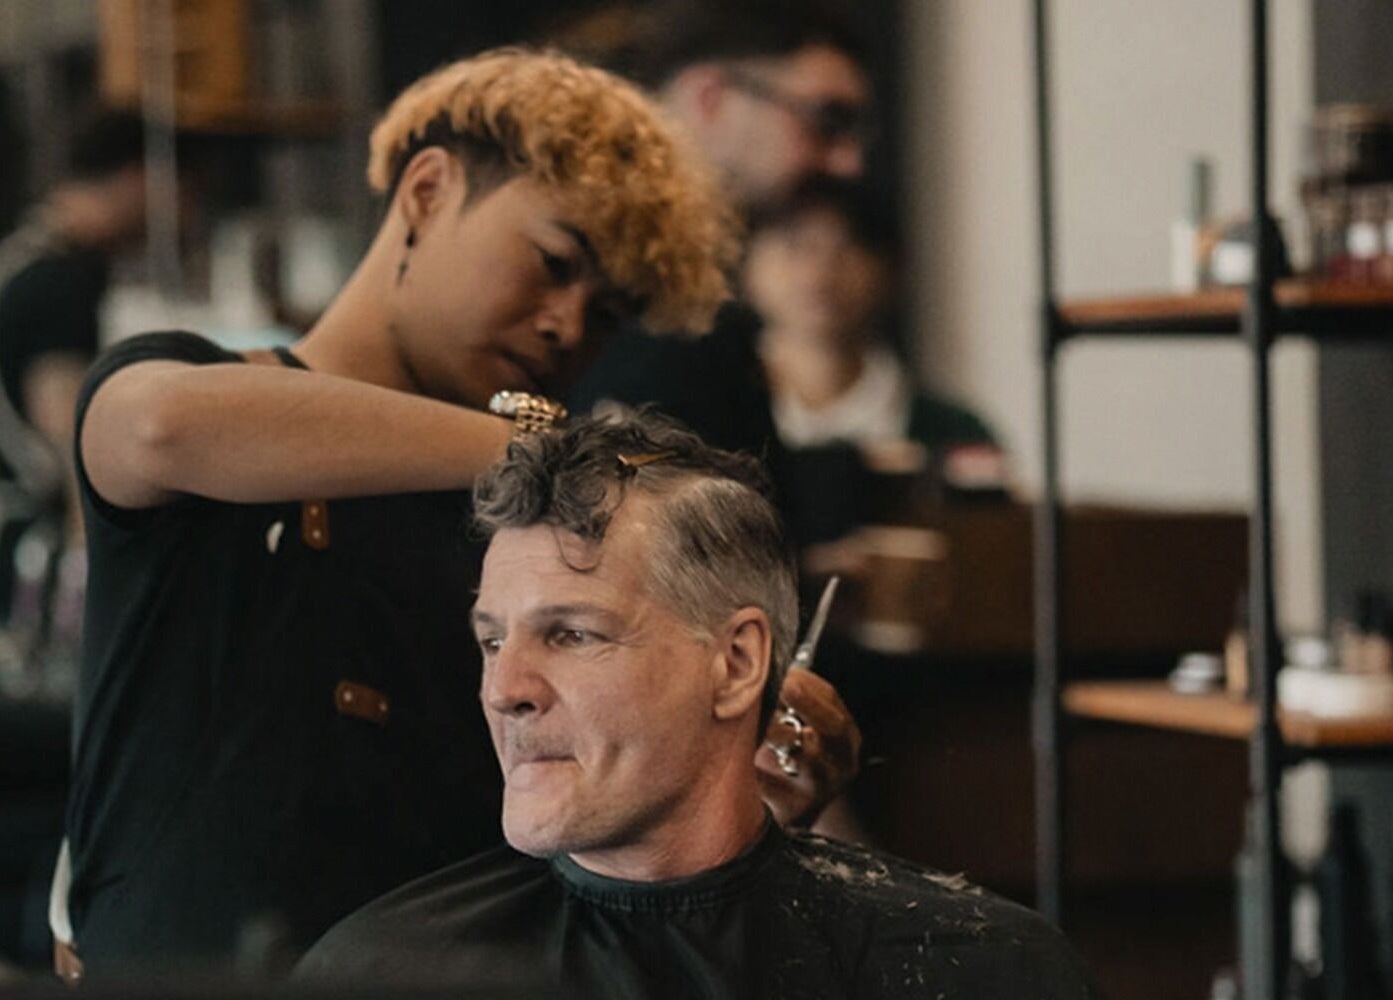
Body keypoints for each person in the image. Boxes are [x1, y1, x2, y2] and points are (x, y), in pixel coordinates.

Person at [57, 48, 756, 979]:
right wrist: (543, 449)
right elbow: (157, 427)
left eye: (605, 317)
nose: (565, 326)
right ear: (428, 191)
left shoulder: (525, 544)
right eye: (552, 264)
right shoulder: (193, 387)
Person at [297, 410, 1098, 999]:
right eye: (492, 641)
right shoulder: (380, 976)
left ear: (736, 663)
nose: (505, 691)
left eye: (572, 635)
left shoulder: (977, 969)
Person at [562, 0, 874, 459]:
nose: (849, 163)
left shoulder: (705, 294)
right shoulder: (584, 257)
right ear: (710, 98)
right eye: (827, 119)